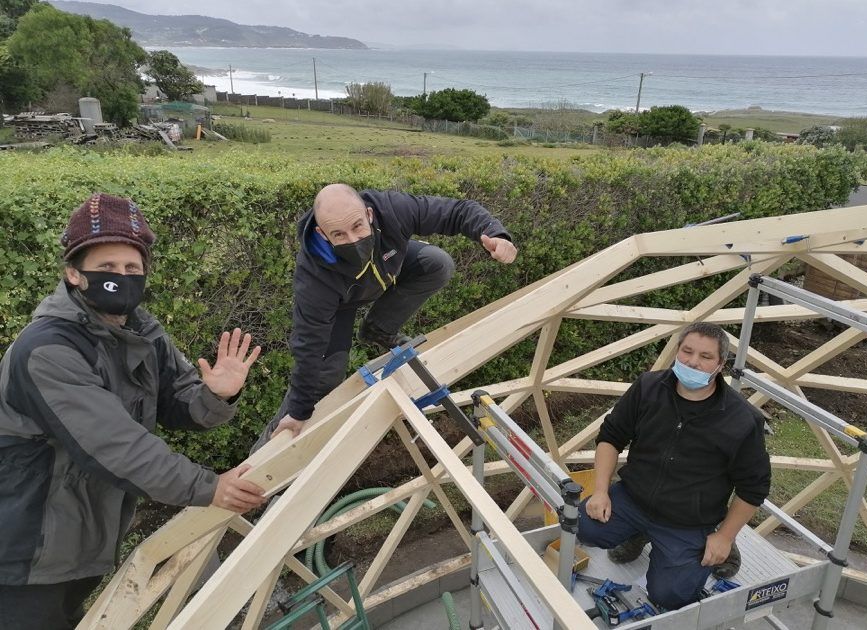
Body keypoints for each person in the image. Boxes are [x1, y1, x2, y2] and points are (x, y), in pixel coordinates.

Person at [0, 193, 268, 630]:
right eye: (106, 267)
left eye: (131, 268)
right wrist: (208, 487)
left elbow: (179, 405)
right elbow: (115, 446)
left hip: (78, 539)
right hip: (25, 546)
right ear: (73, 273)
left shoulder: (141, 332)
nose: (120, 278)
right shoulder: (48, 350)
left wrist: (217, 395)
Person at [261, 184, 517, 442]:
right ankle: (263, 450)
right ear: (322, 233)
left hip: (385, 265)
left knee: (437, 264)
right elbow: (309, 345)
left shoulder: (393, 210)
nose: (353, 240)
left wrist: (495, 234)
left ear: (369, 214)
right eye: (339, 234)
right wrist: (299, 410)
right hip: (340, 303)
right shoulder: (314, 276)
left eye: (358, 226)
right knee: (327, 376)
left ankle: (377, 329)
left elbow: (456, 211)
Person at [577, 322, 770, 611]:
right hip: (634, 499)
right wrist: (601, 491)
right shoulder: (648, 387)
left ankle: (720, 544)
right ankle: (639, 532)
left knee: (670, 595)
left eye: (705, 356)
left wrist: (724, 536)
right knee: (583, 526)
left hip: (688, 519)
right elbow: (610, 437)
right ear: (677, 351)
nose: (693, 362)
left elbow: (753, 488)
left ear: (720, 365)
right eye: (687, 351)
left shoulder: (742, 420)